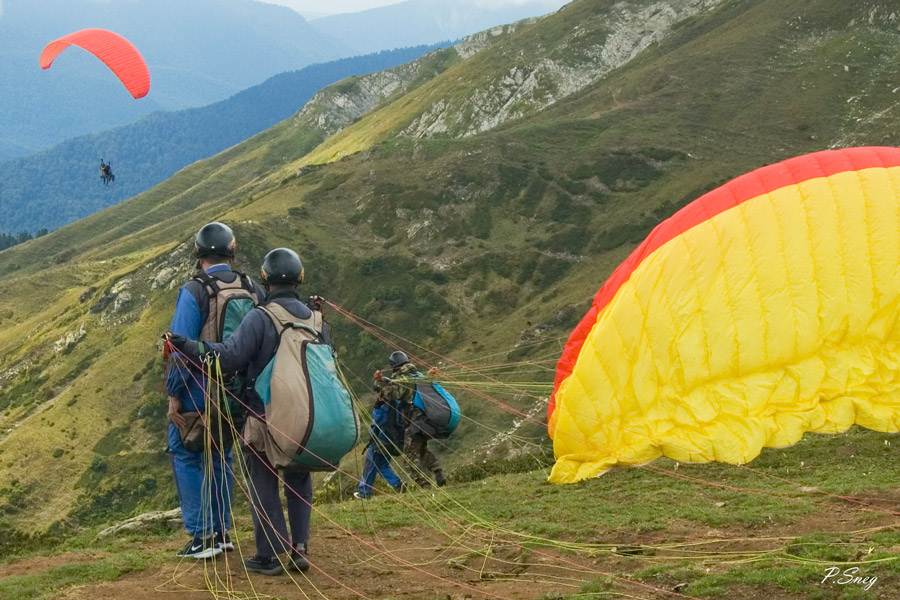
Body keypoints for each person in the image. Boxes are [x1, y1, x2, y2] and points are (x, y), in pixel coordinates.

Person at [168, 248, 322, 576]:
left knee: (262, 478)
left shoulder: (260, 316)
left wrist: (185, 346)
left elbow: (228, 357)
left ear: (266, 278)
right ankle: (301, 546)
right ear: (300, 278)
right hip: (307, 412)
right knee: (298, 474)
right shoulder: (316, 317)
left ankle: (270, 554)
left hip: (264, 411)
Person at [165, 222, 264, 560]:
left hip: (200, 389)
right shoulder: (251, 287)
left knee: (186, 451)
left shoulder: (195, 290)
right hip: (241, 393)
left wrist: (174, 394)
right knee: (221, 454)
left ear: (199, 253)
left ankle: (203, 536)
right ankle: (221, 532)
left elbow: (179, 347)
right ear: (231, 251)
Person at [377, 351, 446, 489]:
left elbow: (390, 395)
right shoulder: (416, 375)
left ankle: (425, 486)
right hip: (426, 421)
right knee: (420, 450)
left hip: (415, 423)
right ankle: (437, 471)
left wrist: (379, 381)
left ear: (394, 366)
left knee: (409, 459)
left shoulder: (402, 380)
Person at [353, 378, 406, 500]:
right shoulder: (396, 402)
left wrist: (377, 407)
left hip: (381, 439)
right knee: (382, 465)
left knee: (370, 464)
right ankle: (398, 485)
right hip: (392, 439)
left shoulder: (384, 405)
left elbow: (379, 421)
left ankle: (364, 492)